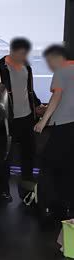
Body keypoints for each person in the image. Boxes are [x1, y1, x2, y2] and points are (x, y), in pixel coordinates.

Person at [0, 37, 44, 200]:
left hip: (27, 118)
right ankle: (3, 191)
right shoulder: (0, 68)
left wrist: (37, 104)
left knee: (28, 155)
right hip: (9, 119)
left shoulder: (26, 66)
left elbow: (28, 89)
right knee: (6, 157)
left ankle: (27, 190)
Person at [34, 44, 74, 215]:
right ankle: (68, 204)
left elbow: (57, 96)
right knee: (69, 165)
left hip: (63, 124)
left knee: (48, 164)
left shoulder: (61, 71)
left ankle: (48, 204)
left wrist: (43, 121)